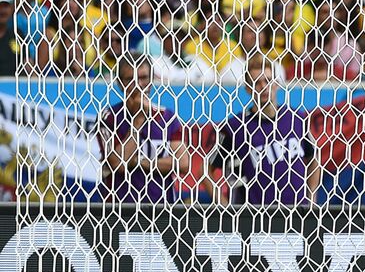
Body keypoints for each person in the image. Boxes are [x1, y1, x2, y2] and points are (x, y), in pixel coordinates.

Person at [213, 53, 321, 204]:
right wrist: (226, 209)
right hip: (259, 220)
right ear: (248, 89)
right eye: (257, 83)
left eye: (267, 81)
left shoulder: (296, 118)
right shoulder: (236, 126)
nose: (263, 87)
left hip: (298, 216)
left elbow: (313, 159)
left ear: (276, 84)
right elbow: (206, 171)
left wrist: (311, 198)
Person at [100, 56, 189, 203]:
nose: (138, 85)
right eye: (130, 79)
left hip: (162, 209)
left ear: (152, 80)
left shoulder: (167, 117)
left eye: (143, 78)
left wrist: (141, 162)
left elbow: (183, 163)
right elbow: (117, 164)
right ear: (120, 83)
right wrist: (139, 119)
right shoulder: (109, 117)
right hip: (120, 211)